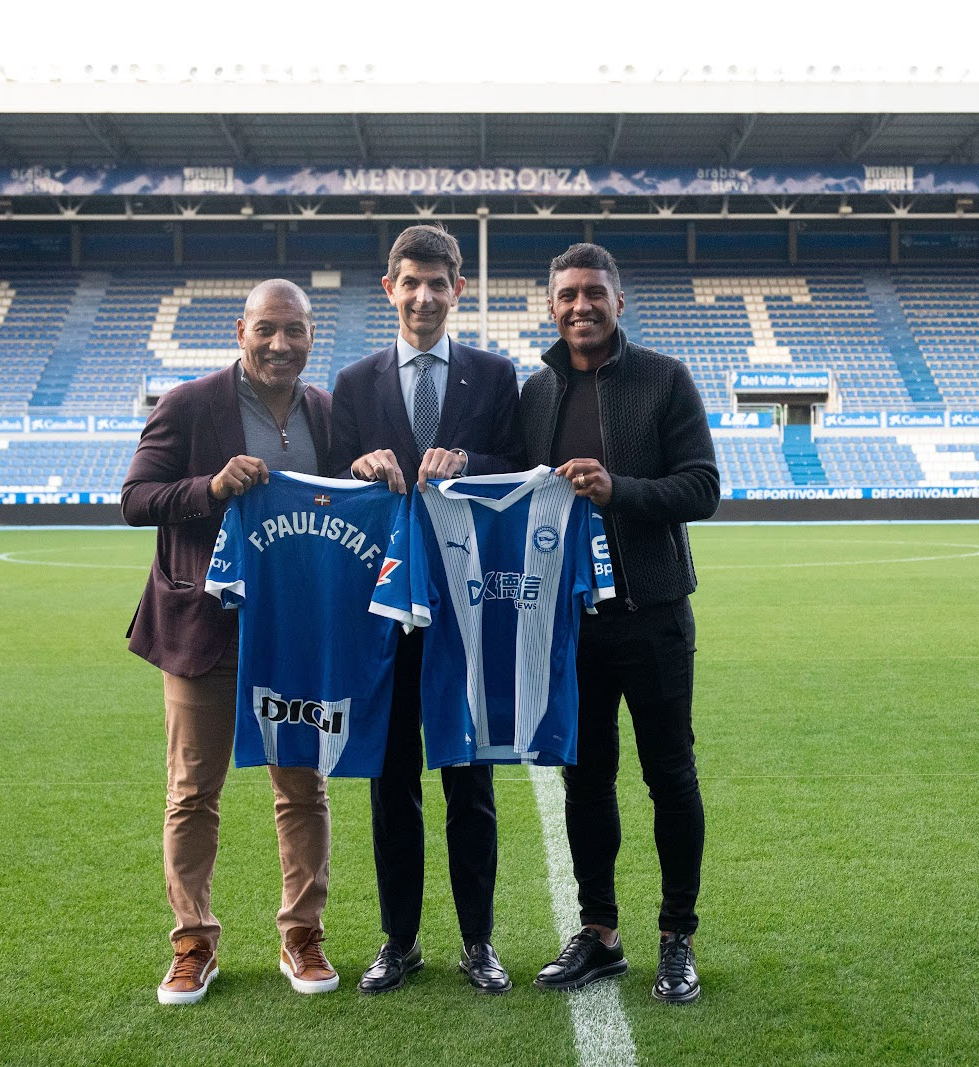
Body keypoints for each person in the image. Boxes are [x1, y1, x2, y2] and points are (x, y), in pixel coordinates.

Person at [122, 279, 340, 1004]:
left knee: (303, 787)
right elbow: (136, 498)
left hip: (294, 632)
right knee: (192, 790)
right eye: (268, 329)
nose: (281, 344)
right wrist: (210, 488)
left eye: (296, 332)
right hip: (202, 630)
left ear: (314, 335)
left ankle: (301, 933)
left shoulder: (327, 413)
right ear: (240, 329)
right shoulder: (188, 405)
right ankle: (192, 941)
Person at [519, 243, 719, 1004]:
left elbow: (702, 486)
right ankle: (599, 932)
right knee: (585, 778)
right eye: (566, 294)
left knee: (670, 774)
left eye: (593, 293)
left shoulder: (665, 379)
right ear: (551, 305)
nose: (580, 306)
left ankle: (677, 936)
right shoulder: (535, 392)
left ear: (618, 301)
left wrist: (616, 489)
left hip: (654, 614)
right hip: (570, 624)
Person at [329, 224, 524, 994]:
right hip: (384, 614)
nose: (423, 296)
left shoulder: (495, 374)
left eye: (437, 282)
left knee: (469, 777)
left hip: (469, 610)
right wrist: (356, 464)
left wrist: (471, 462)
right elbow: (328, 485)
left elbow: (520, 467)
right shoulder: (353, 383)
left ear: (458, 290)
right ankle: (400, 939)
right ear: (389, 288)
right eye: (409, 282)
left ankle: (478, 940)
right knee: (391, 778)